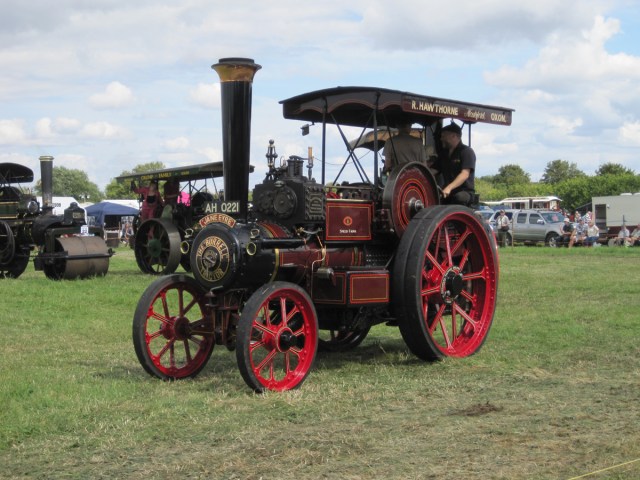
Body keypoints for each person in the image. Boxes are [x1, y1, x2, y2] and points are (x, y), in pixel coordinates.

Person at [432, 122, 476, 206]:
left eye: (444, 136)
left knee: (459, 197)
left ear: (454, 136)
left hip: (464, 192)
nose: (441, 139)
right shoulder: (444, 154)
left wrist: (449, 188)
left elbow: (464, 174)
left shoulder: (467, 152)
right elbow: (433, 170)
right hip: (447, 192)